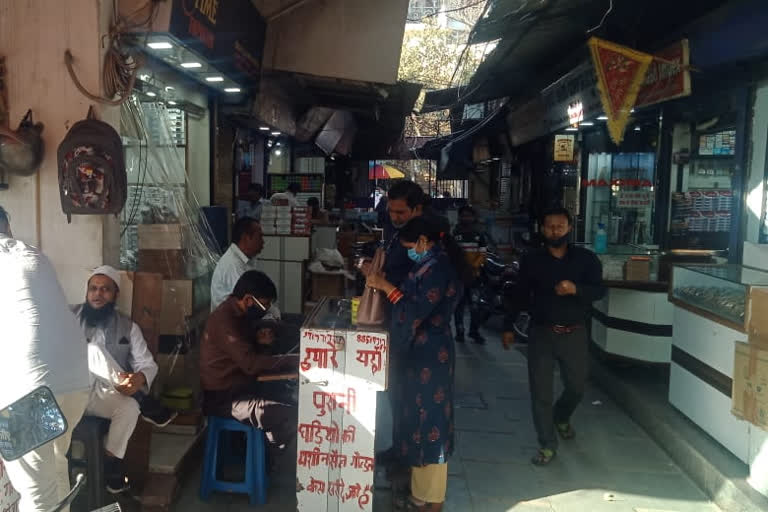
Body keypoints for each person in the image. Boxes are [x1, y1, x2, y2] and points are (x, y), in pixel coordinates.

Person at [366, 217, 469, 512]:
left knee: (430, 422)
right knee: (416, 419)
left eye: (410, 246)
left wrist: (385, 285)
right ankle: (420, 495)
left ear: (424, 241)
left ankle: (432, 500)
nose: (409, 251)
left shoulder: (439, 268)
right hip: (418, 352)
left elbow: (416, 308)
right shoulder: (428, 264)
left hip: (431, 353)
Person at [0, 206, 90, 512]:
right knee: (54, 465)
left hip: (32, 393)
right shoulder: (32, 255)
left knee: (35, 492)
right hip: (75, 382)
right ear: (7, 228)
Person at [502, 207, 605, 465]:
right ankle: (547, 444)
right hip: (542, 334)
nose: (554, 231)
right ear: (542, 229)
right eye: (549, 226)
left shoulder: (586, 259)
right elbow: (520, 294)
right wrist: (508, 326)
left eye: (560, 226)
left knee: (577, 387)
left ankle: (561, 416)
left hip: (575, 333)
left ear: (570, 228)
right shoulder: (532, 260)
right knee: (541, 393)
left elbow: (599, 291)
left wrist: (576, 289)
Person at [72, 265, 175, 494]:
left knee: (129, 407)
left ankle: (112, 464)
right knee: (93, 351)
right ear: (87, 292)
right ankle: (144, 401)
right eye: (93, 289)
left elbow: (148, 364)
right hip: (72, 393)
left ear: (115, 294)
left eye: (105, 289)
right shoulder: (68, 317)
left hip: (102, 396)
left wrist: (139, 378)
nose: (98, 294)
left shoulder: (129, 327)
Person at [200, 270, 297, 450]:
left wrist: (262, 334)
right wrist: (291, 360)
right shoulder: (224, 321)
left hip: (241, 387)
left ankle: (266, 448)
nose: (266, 310)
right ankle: (267, 449)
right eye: (265, 305)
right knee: (291, 414)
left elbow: (250, 336)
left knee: (292, 399)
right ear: (248, 300)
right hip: (225, 399)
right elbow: (251, 365)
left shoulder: (238, 314)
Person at [452, 205, 492, 344]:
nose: (466, 218)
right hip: (459, 276)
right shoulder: (455, 234)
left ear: (474, 218)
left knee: (475, 305)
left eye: (469, 216)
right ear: (459, 217)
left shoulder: (479, 234)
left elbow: (483, 254)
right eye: (463, 216)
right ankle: (460, 332)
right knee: (459, 305)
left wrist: (473, 266)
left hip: (474, 276)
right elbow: (452, 254)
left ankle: (474, 332)